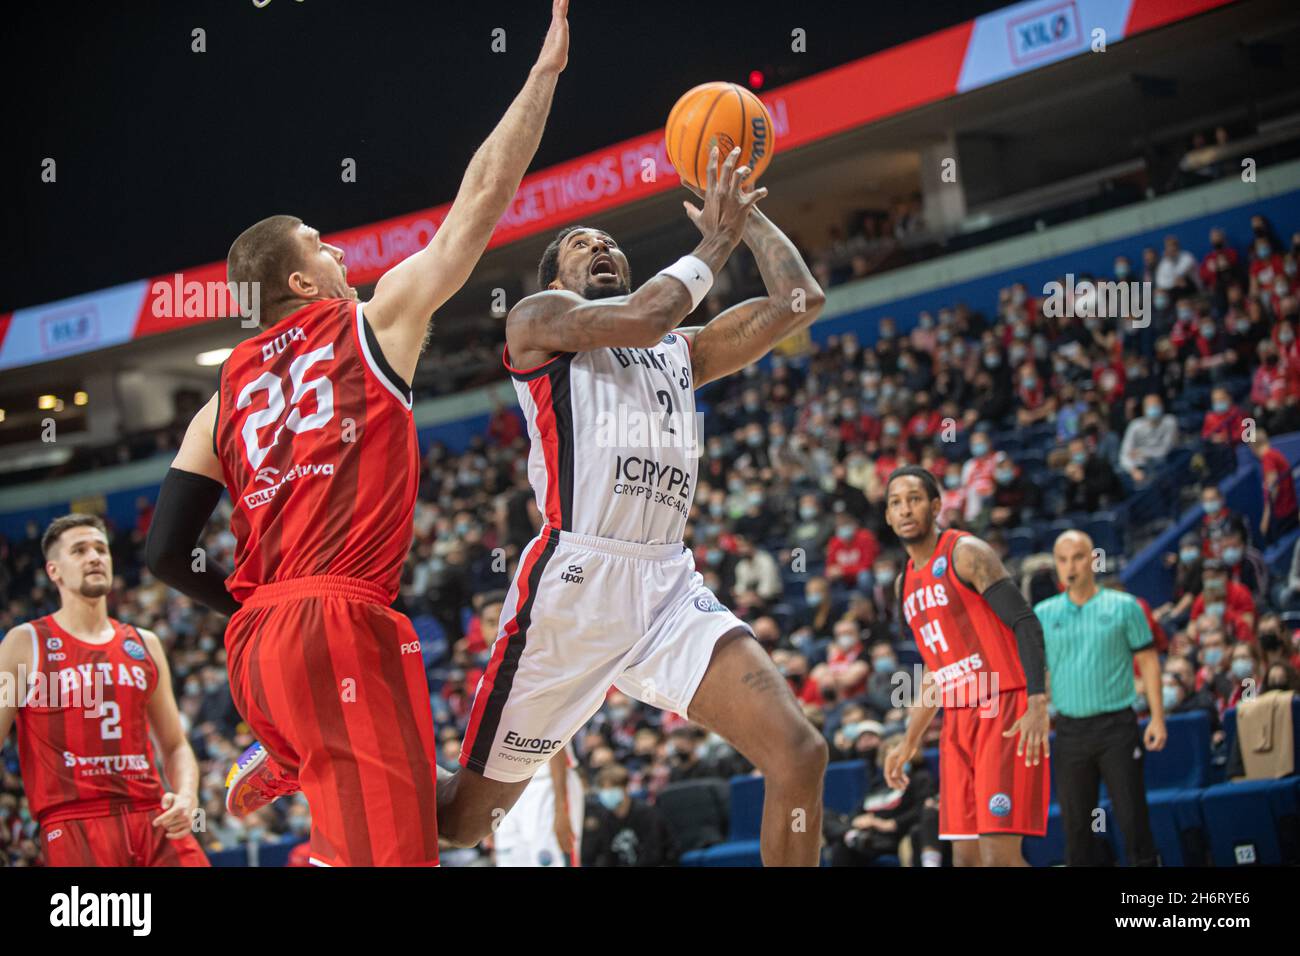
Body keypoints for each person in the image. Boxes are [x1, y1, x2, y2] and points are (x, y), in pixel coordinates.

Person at [146, 1, 573, 866]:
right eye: (322, 245)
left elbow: (161, 554)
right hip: (340, 621)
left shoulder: (217, 399)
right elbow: (481, 198)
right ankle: (297, 749)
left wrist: (259, 604)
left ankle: (290, 746)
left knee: (430, 822)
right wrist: (543, 76)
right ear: (302, 280)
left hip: (258, 644)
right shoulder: (370, 324)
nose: (340, 252)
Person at [436, 146, 830, 866]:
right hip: (573, 592)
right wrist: (717, 239)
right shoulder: (537, 321)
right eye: (583, 245)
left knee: (800, 752)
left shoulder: (681, 350)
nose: (603, 247)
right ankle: (324, 754)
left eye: (611, 242)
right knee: (460, 823)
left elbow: (800, 303)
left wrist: (747, 214)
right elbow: (647, 313)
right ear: (557, 277)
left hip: (667, 586)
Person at [0, 515, 209, 866]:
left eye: (101, 549)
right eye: (79, 550)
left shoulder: (146, 643)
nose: (94, 557)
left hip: (153, 817)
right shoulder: (26, 642)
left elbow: (174, 745)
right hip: (74, 824)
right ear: (54, 571)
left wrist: (188, 795)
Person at [881, 465, 1051, 867]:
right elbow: (937, 672)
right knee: (966, 860)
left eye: (915, 500)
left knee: (999, 859)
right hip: (958, 722)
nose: (905, 510)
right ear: (888, 516)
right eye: (896, 503)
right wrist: (908, 742)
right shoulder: (903, 583)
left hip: (1002, 707)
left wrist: (1038, 702)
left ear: (936, 506)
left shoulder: (967, 553)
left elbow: (1026, 622)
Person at [1034, 531, 1163, 866]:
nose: (1070, 566)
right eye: (1062, 560)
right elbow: (1034, 671)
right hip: (1069, 732)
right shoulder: (1044, 614)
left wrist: (1158, 718)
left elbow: (1148, 661)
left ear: (1093, 561)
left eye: (1077, 557)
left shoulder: (1124, 607)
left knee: (1133, 819)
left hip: (1117, 727)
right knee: (1077, 828)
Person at [493, 745, 583, 867]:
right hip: (504, 787)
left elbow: (557, 746)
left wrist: (561, 810)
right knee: (508, 862)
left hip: (545, 784)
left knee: (549, 861)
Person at [581, 764, 676, 866]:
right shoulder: (606, 818)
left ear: (625, 788)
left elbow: (654, 854)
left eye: (611, 788)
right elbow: (607, 854)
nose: (606, 793)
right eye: (603, 789)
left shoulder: (647, 814)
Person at [1251, 428, 1299, 545]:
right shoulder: (1275, 454)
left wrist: (1266, 518)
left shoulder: (1268, 458)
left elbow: (1273, 488)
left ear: (1252, 447)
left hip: (1283, 512)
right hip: (1289, 508)